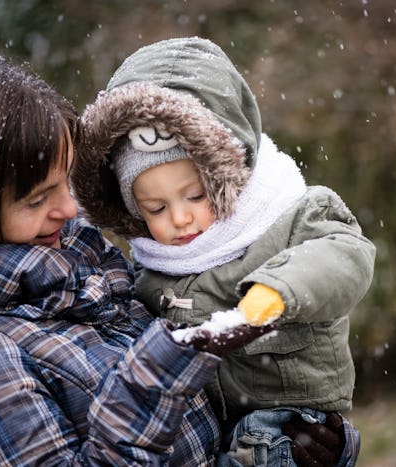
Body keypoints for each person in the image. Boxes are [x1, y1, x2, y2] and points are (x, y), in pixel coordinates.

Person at [0, 49, 342, 466]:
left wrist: (280, 435)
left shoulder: (77, 266)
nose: (68, 209)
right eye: (37, 199)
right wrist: (152, 374)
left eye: (66, 182)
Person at [72, 37, 375, 466]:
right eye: (155, 208)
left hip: (286, 418)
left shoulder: (290, 212)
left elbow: (347, 256)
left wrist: (280, 288)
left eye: (196, 195)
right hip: (208, 429)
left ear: (225, 173)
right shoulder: (149, 266)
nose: (179, 219)